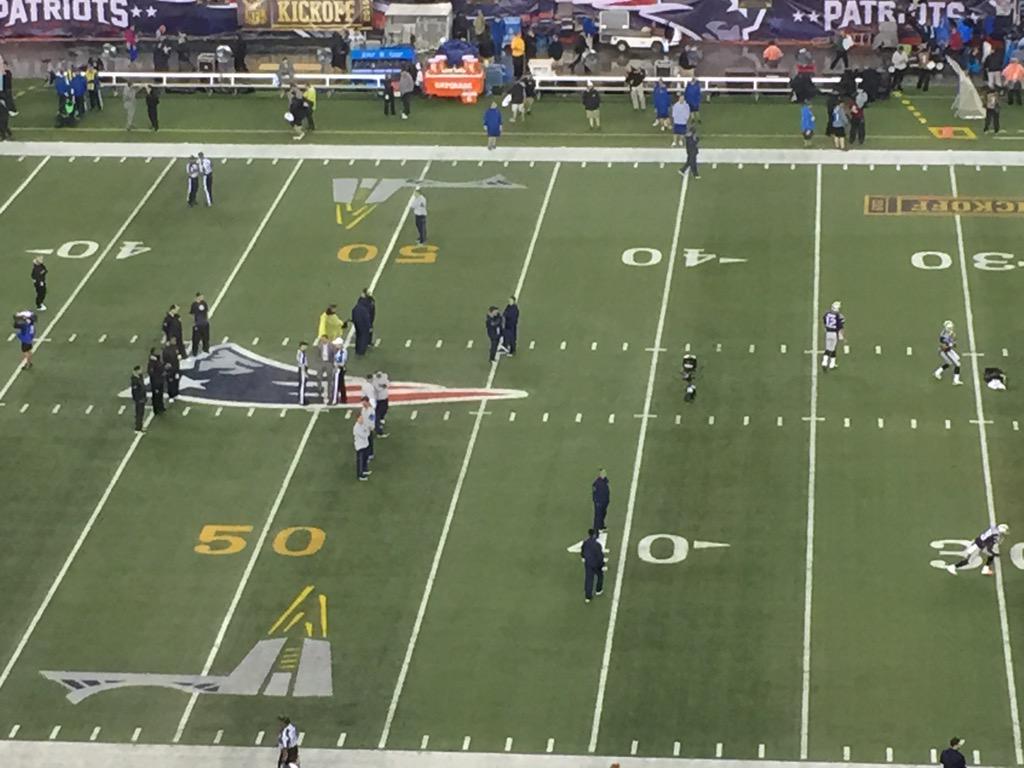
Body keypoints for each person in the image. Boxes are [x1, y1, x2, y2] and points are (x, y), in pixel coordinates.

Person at [934, 320, 962, 385]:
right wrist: (952, 344)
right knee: (957, 364)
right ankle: (955, 381)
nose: (951, 329)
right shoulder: (943, 336)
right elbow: (944, 346)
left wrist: (953, 341)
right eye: (950, 328)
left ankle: (937, 372)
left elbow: (953, 342)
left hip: (948, 350)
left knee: (950, 363)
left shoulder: (950, 333)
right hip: (944, 351)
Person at [581, 529, 605, 603]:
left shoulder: (585, 543)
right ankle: (598, 590)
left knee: (589, 579)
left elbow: (582, 551)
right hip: (596, 564)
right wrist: (602, 564)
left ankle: (588, 596)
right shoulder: (597, 545)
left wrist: (584, 557)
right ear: (594, 535)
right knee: (600, 575)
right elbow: (600, 556)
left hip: (588, 564)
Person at [821, 301, 844, 371]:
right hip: (834, 333)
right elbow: (840, 326)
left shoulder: (827, 314)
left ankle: (828, 363)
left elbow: (824, 320)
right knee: (832, 349)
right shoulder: (839, 316)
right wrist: (841, 335)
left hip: (828, 333)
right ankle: (828, 363)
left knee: (829, 348)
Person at [351, 289, 375, 356]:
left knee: (362, 335)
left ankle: (367, 343)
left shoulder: (368, 300)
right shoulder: (365, 302)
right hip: (364, 320)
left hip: (365, 319)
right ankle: (360, 350)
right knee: (362, 336)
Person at [190, 292, 210, 357]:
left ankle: (206, 349)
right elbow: (192, 314)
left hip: (205, 324)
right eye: (201, 296)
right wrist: (194, 323)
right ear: (198, 297)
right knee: (196, 340)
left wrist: (206, 321)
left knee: (206, 338)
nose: (203, 297)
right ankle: (195, 352)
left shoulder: (204, 303)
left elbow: (206, 312)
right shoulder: (194, 305)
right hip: (198, 325)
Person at [147, 347, 166, 415]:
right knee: (156, 396)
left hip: (160, 381)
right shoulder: (151, 362)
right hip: (156, 382)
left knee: (160, 395)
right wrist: (160, 374)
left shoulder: (157, 360)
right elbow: (151, 373)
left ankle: (161, 407)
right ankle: (156, 409)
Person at [353, 415, 372, 480]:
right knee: (360, 461)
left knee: (365, 458)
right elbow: (364, 435)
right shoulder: (356, 427)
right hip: (360, 446)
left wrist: (367, 431)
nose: (361, 420)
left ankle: (364, 470)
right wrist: (367, 431)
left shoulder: (363, 424)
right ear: (357, 419)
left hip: (365, 444)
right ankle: (360, 475)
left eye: (362, 418)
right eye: (360, 418)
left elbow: (368, 433)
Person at [372, 370, 390, 437]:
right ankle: (378, 430)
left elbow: (388, 384)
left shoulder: (384, 376)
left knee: (385, 409)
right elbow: (378, 389)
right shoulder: (374, 381)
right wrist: (384, 386)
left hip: (385, 398)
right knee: (378, 414)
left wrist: (383, 386)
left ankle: (381, 419)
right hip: (379, 399)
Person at [130, 365, 146, 433]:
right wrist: (138, 399)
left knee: (141, 413)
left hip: (142, 397)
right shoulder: (134, 380)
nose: (141, 371)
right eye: (140, 370)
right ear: (136, 371)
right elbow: (135, 391)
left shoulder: (140, 376)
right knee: (139, 413)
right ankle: (138, 428)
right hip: (139, 399)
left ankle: (140, 426)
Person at [332, 338, 348, 404]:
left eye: (336, 344)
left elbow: (341, 362)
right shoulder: (339, 351)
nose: (335, 346)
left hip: (339, 369)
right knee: (340, 384)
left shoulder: (342, 352)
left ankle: (335, 399)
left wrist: (336, 365)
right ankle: (343, 399)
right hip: (339, 368)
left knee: (337, 384)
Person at [296, 341, 310, 405]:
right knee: (302, 385)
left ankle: (302, 399)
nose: (306, 347)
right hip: (302, 370)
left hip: (302, 369)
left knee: (302, 385)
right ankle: (302, 401)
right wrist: (305, 373)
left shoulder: (300, 352)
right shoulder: (302, 353)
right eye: (305, 346)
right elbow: (302, 364)